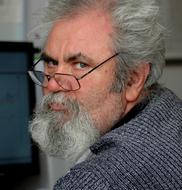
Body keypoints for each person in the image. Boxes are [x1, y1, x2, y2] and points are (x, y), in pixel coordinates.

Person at [28, 0, 182, 189]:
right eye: (50, 62)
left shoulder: (96, 182)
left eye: (80, 64)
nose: (51, 84)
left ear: (132, 80)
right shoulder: (167, 108)